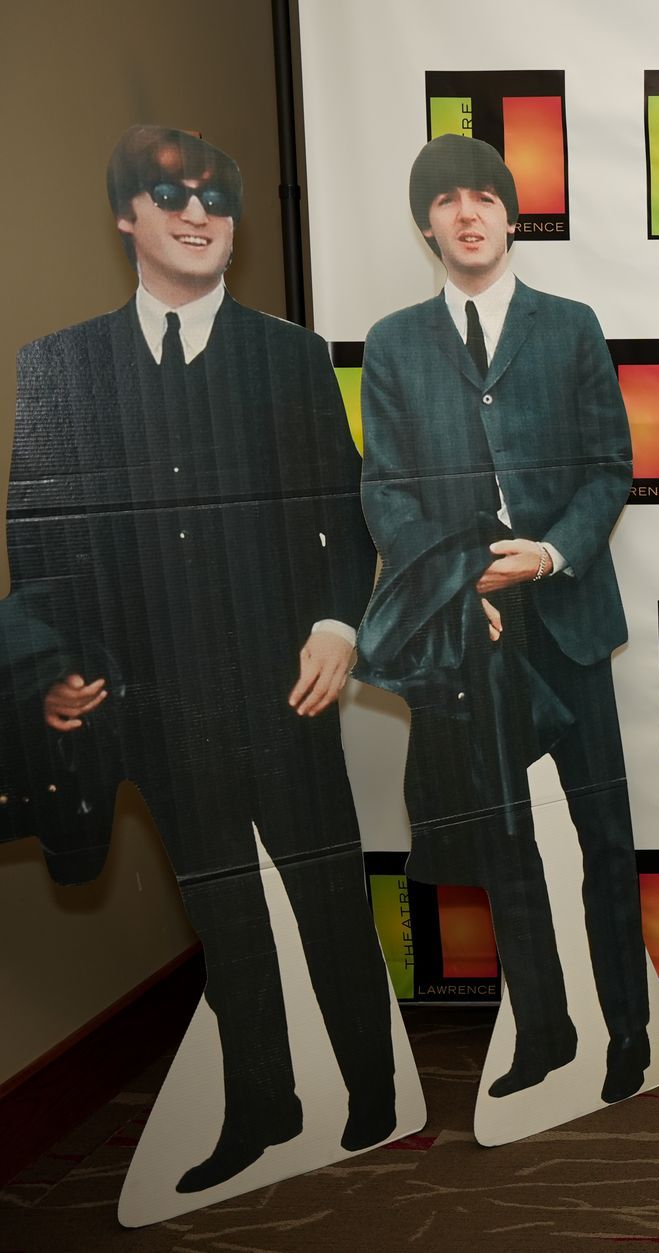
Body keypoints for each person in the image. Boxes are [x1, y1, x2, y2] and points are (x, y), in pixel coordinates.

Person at [6, 125, 397, 1192]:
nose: (198, 212)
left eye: (217, 198)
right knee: (225, 918)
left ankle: (374, 1092)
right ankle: (262, 1104)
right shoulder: (60, 367)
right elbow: (36, 544)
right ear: (127, 216)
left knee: (327, 900)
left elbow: (346, 516)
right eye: (169, 194)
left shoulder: (291, 356)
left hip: (290, 691)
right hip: (159, 706)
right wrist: (62, 664)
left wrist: (336, 624)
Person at [356, 134, 649, 1107]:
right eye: (446, 199)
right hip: (468, 631)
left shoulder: (570, 327)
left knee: (604, 833)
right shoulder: (395, 342)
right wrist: (456, 584)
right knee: (510, 839)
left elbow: (611, 465)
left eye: (485, 195)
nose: (467, 211)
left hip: (564, 615)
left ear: (511, 214)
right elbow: (387, 488)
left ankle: (629, 1031)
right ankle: (548, 1032)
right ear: (426, 223)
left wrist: (552, 552)